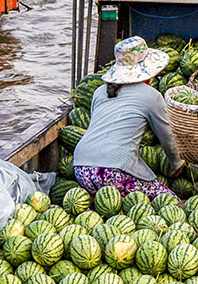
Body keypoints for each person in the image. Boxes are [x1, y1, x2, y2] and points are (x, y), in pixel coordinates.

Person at [72, 36, 184, 201]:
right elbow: (168, 136)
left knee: (113, 205)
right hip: (113, 172)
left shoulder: (99, 92)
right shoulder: (151, 96)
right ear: (147, 72)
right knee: (169, 202)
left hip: (81, 168)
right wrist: (177, 163)